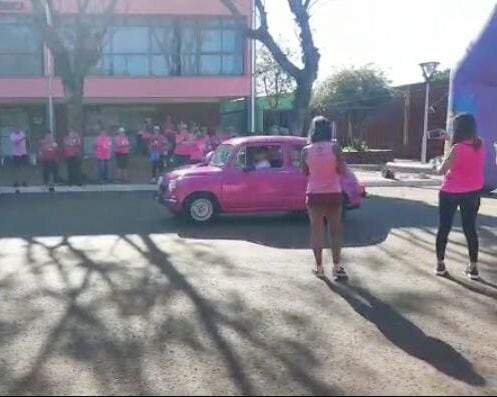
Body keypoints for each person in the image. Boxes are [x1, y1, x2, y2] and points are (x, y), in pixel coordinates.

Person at [435, 113, 486, 280]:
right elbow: (467, 157)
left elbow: (441, 170)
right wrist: (449, 140)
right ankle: (474, 268)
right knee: (470, 229)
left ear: (459, 129)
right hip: (473, 192)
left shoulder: (457, 149)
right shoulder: (481, 145)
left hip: (450, 192)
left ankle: (440, 265)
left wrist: (442, 163)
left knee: (444, 227)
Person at [302, 116, 347, 281]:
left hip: (314, 193)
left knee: (316, 230)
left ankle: (319, 267)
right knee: (335, 230)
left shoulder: (306, 150)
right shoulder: (335, 148)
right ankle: (336, 267)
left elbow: (304, 172)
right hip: (333, 192)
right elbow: (342, 170)